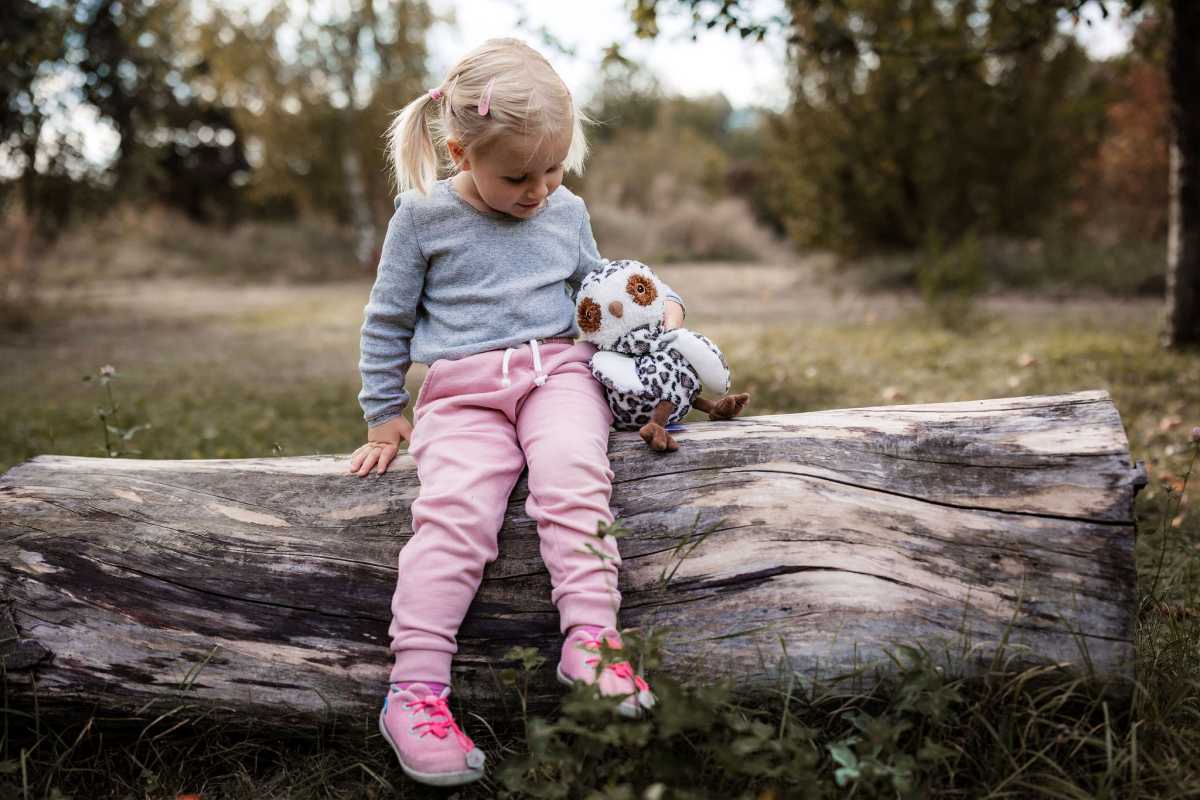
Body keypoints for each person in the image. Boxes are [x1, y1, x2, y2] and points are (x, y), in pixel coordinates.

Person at [347, 38, 686, 787]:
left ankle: (593, 643)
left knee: (573, 477)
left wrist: (655, 309)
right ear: (462, 152)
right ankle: (416, 692)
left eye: (553, 168)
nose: (538, 189)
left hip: (557, 374)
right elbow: (387, 322)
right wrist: (383, 414)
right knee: (456, 514)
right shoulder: (423, 217)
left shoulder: (564, 210)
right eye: (518, 175)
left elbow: (597, 290)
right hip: (463, 392)